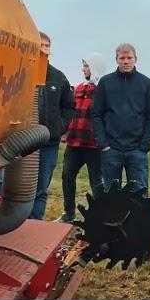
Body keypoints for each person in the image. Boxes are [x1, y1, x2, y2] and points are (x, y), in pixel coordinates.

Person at [91, 43, 150, 192]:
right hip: (111, 149)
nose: (126, 61)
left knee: (139, 195)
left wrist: (145, 145)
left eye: (129, 58)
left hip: (137, 150)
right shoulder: (105, 82)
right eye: (122, 58)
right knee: (110, 195)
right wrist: (103, 143)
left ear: (135, 59)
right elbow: (96, 114)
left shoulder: (145, 83)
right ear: (116, 59)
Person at [29, 31, 74, 220]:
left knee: (41, 187)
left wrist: (60, 127)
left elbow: (69, 106)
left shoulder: (58, 77)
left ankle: (35, 224)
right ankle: (17, 225)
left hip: (49, 143)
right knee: (22, 186)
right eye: (40, 45)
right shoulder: (23, 70)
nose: (43, 49)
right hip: (25, 143)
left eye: (47, 46)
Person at [56, 54, 106, 223]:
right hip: (74, 143)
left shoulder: (103, 90)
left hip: (94, 145)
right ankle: (69, 213)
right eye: (83, 65)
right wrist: (65, 131)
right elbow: (70, 111)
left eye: (86, 66)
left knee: (96, 181)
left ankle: (100, 216)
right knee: (67, 176)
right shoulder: (77, 89)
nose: (83, 69)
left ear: (95, 67)